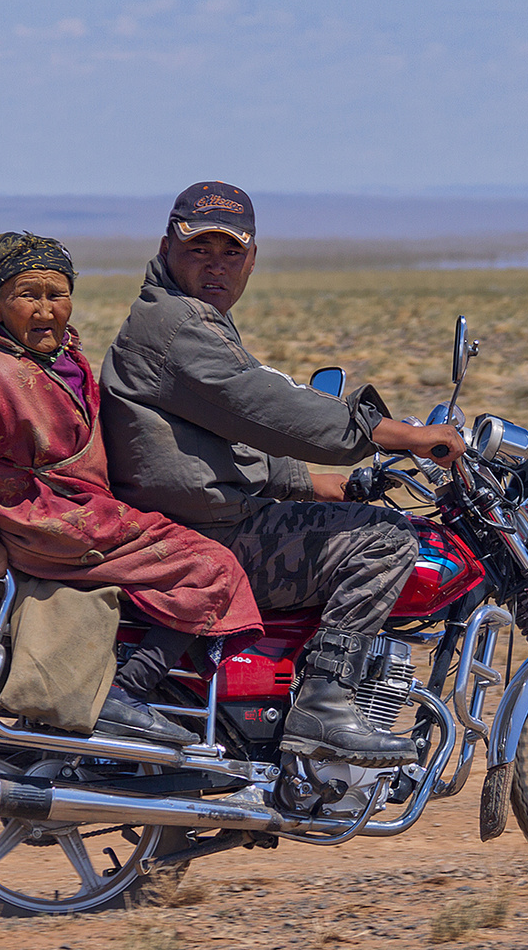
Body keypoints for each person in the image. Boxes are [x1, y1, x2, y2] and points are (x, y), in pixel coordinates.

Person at [99, 182, 465, 768]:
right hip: (208, 533)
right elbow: (269, 405)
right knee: (387, 542)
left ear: (251, 259)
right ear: (168, 247)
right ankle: (325, 703)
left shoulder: (182, 320)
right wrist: (397, 434)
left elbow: (222, 444)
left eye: (231, 253)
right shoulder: (178, 327)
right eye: (199, 250)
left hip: (193, 520)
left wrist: (327, 484)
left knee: (357, 515)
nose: (216, 267)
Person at [0, 231, 262, 746]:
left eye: (56, 294)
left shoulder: (64, 358)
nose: (45, 310)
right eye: (28, 294)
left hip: (78, 512)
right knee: (213, 567)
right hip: (50, 523)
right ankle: (123, 693)